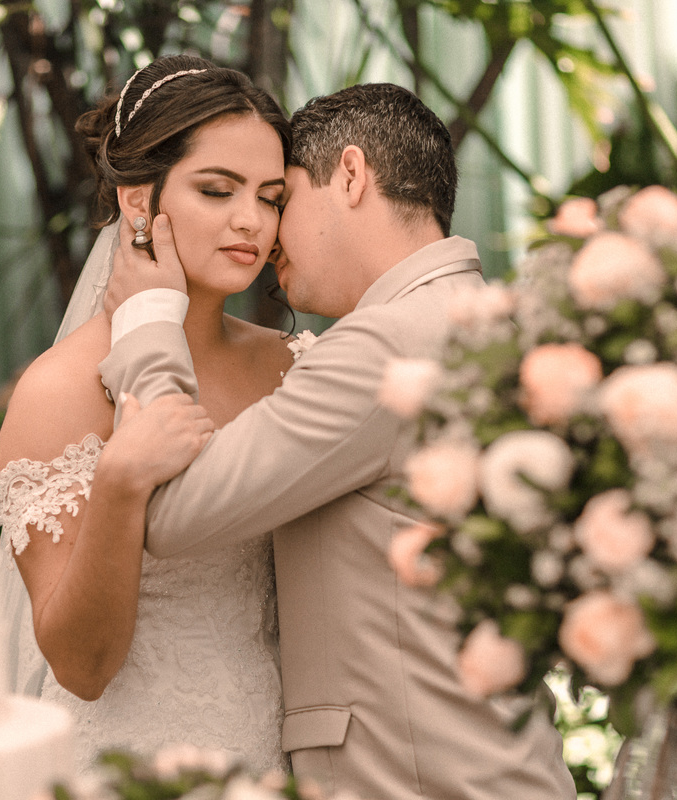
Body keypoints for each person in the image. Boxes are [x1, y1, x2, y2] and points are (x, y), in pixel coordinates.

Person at [99, 83, 578, 799]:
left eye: (281, 199)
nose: (266, 236)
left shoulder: (384, 347)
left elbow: (173, 510)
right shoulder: (492, 320)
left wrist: (145, 324)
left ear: (351, 175)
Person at [0, 55, 293, 774]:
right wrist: (120, 484)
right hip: (131, 764)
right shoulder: (61, 391)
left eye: (271, 197)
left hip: (280, 758)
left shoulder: (290, 365)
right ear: (136, 201)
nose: (251, 220)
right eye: (217, 190)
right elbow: (80, 665)